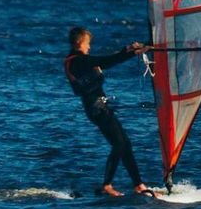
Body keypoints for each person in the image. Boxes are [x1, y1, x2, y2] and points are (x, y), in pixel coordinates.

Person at [63, 27, 153, 197]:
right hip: (97, 110)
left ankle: (139, 184)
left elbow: (106, 60)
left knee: (125, 144)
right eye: (87, 43)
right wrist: (129, 52)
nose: (89, 47)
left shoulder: (79, 60)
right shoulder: (77, 61)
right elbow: (106, 62)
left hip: (100, 108)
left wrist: (129, 51)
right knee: (119, 144)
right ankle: (107, 185)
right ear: (79, 43)